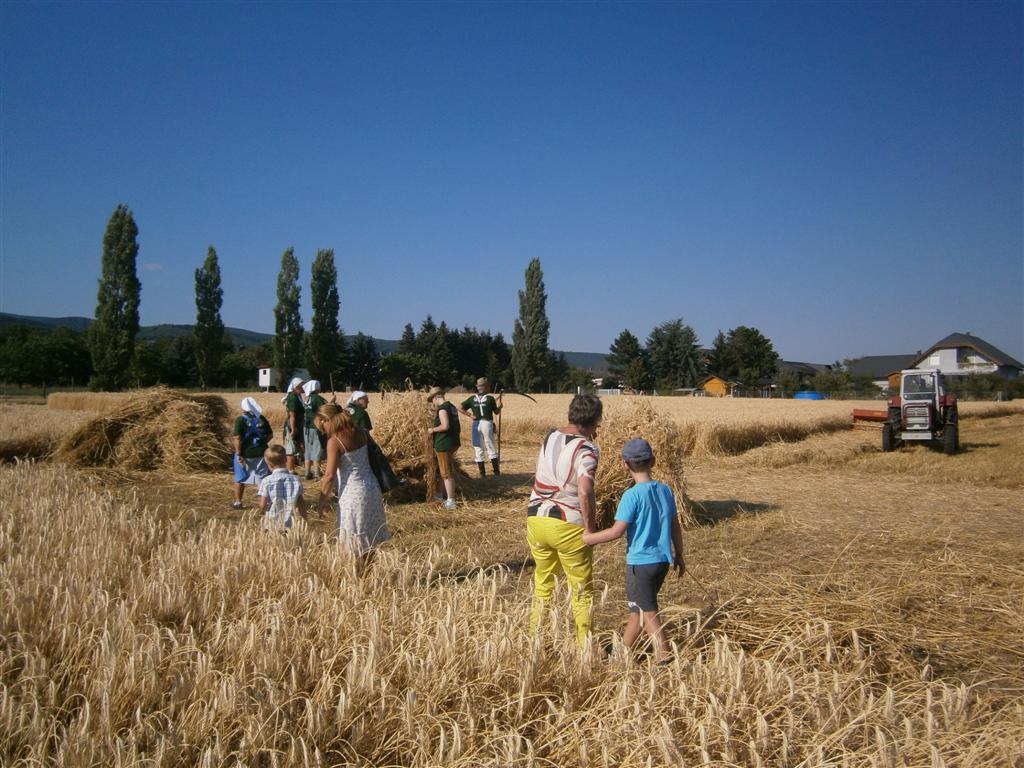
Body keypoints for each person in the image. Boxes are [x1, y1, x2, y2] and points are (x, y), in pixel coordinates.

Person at [582, 438, 685, 665]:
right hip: (662, 561)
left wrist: (589, 538)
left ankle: (665, 657)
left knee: (649, 612)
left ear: (624, 465)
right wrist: (680, 554)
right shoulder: (666, 490)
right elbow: (675, 525)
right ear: (654, 461)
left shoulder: (631, 496)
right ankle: (620, 656)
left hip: (641, 564)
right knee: (636, 611)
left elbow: (617, 531)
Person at [527, 393, 602, 646]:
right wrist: (590, 529)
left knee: (543, 584)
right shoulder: (588, 449)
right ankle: (584, 647)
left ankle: (535, 639)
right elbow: (585, 490)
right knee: (581, 591)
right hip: (568, 524)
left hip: (536, 519)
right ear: (596, 420)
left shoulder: (549, 436)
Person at [318, 403, 390, 573]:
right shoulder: (361, 432)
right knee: (369, 538)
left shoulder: (334, 441)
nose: (322, 427)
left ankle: (356, 578)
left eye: (322, 423)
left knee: (354, 538)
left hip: (352, 493)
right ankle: (366, 574)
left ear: (328, 420)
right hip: (371, 487)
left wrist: (322, 500)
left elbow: (329, 475)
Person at [231, 397, 272, 510]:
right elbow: (270, 435)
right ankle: (265, 503)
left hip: (245, 453)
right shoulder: (261, 418)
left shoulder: (240, 420)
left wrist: (239, 453)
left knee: (240, 478)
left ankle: (238, 502)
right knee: (263, 478)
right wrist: (261, 444)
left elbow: (237, 437)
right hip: (262, 452)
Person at [257, 443, 308, 532]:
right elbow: (301, 504)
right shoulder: (296, 480)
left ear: (269, 464)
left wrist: (261, 513)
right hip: (289, 523)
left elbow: (262, 505)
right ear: (286, 460)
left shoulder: (266, 481)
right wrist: (305, 520)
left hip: (271, 522)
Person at [459, 377, 502, 476]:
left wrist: (470, 415)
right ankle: (496, 471)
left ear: (478, 387)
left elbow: (459, 407)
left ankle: (482, 473)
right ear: (486, 387)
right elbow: (496, 412)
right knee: (490, 445)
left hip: (476, 423)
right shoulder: (490, 399)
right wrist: (500, 407)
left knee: (478, 446)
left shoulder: (472, 398)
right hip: (487, 423)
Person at [426, 387, 461, 510]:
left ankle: (451, 501)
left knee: (446, 473)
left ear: (436, 397)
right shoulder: (451, 406)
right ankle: (439, 495)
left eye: (432, 400)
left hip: (444, 443)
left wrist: (432, 430)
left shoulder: (442, 409)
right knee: (443, 470)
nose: (433, 403)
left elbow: (445, 426)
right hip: (454, 441)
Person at [302, 379, 328, 479]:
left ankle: (307, 472)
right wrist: (333, 402)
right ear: (316, 388)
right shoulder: (317, 398)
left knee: (308, 450)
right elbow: (326, 409)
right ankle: (317, 472)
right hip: (315, 427)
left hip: (306, 427)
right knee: (317, 449)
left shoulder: (307, 398)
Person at [281, 377, 305, 473]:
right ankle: (290, 470)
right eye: (301, 386)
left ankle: (293, 468)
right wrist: (293, 429)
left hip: (298, 424)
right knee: (291, 449)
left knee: (296, 447)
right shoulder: (293, 398)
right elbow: (292, 415)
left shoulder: (297, 397)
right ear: (296, 387)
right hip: (293, 425)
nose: (303, 387)